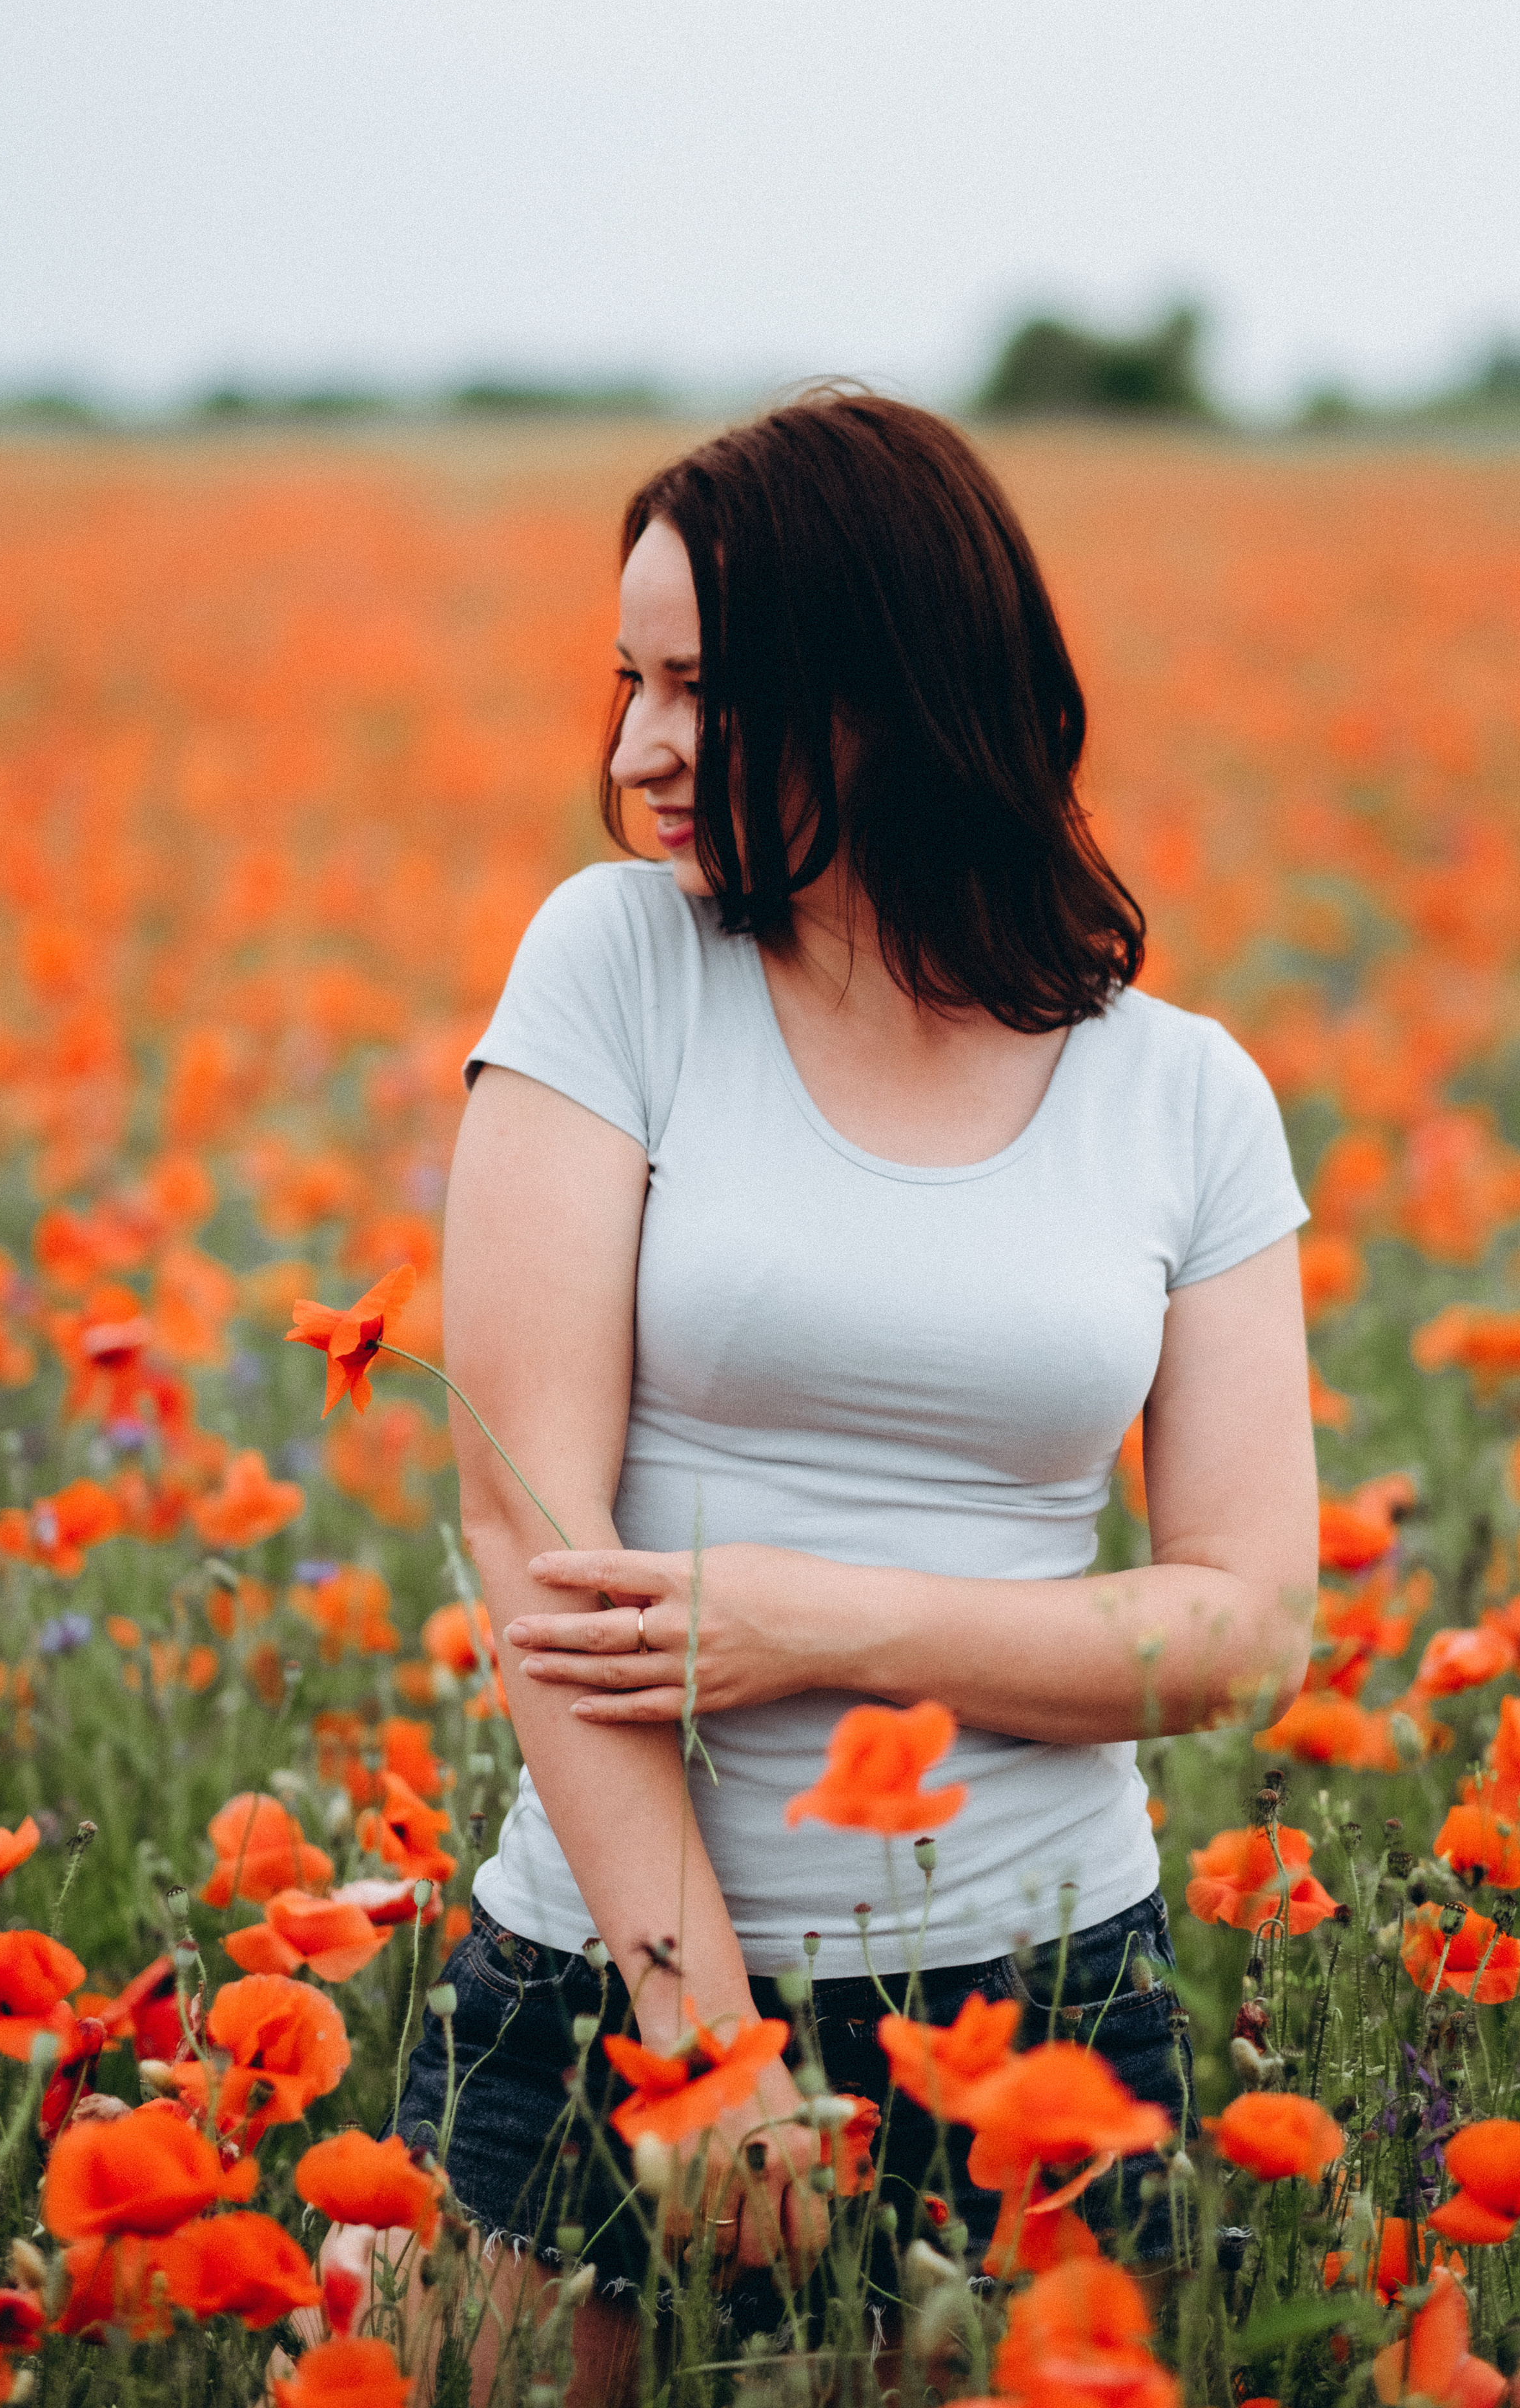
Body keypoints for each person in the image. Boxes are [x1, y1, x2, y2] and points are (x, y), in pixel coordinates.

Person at [394, 389, 1317, 2399]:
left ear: (898, 694)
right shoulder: (617, 968)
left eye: (703, 692)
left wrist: (824, 1619)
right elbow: (526, 1535)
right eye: (625, 678)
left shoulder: (1187, 1099)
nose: (637, 747)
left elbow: (1242, 1626)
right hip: (616, 1982)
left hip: (1053, 2004)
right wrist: (701, 2044)